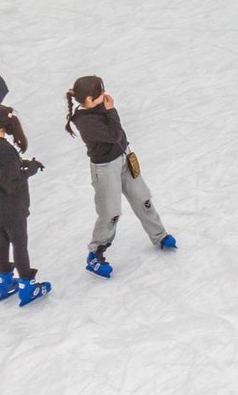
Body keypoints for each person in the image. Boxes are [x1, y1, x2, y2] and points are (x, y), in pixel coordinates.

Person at [64, 76, 176, 279]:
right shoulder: (85, 121)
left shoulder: (98, 108)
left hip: (124, 158)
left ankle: (159, 235)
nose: (105, 93)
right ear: (89, 99)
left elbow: (119, 135)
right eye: (100, 91)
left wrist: (108, 112)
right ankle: (95, 254)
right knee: (111, 213)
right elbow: (115, 134)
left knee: (143, 198)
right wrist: (111, 111)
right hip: (105, 168)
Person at [0, 105, 50, 305]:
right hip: (10, 207)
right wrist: (29, 170)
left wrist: (20, 165)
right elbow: (11, 183)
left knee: (1, 240)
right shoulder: (6, 150)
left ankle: (6, 281)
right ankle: (27, 285)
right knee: (19, 243)